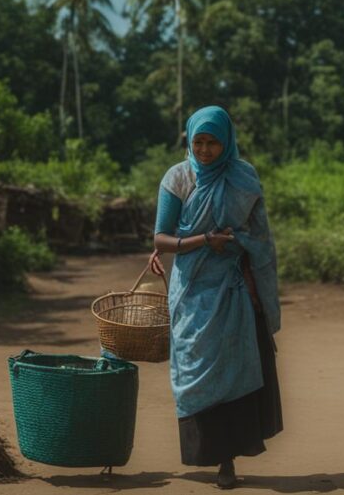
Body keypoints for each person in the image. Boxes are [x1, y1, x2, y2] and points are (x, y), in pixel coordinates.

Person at [148, 105, 282, 489]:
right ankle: (207, 451)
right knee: (197, 368)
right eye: (198, 142)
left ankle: (228, 461)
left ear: (227, 142)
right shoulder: (177, 178)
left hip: (235, 289)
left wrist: (236, 243)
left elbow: (260, 238)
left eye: (213, 142)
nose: (205, 150)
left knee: (235, 369)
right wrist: (205, 240)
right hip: (192, 291)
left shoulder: (244, 177)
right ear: (189, 141)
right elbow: (161, 238)